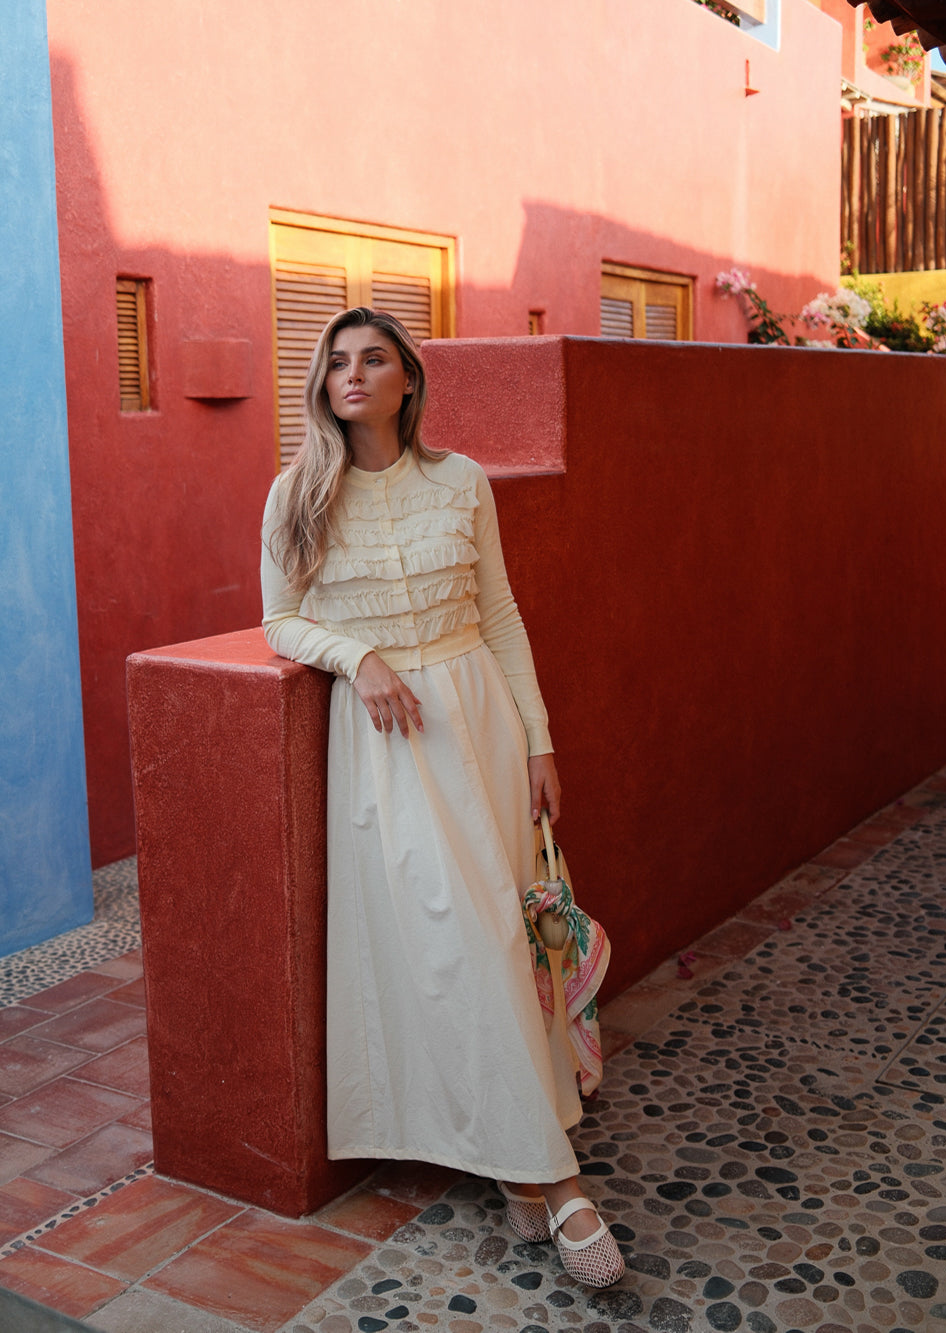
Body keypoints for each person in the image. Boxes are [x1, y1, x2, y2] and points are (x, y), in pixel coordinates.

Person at [260, 307, 624, 1288]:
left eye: (373, 358)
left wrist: (538, 738)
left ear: (409, 380)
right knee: (457, 942)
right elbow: (280, 621)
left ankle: (519, 1165)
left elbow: (499, 613)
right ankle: (558, 1178)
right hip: (387, 743)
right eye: (336, 361)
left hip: (480, 719)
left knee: (505, 934)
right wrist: (359, 656)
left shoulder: (461, 481)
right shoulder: (296, 493)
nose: (351, 374)